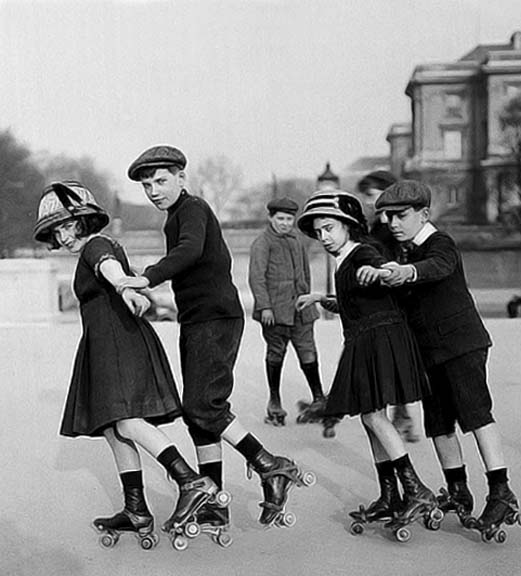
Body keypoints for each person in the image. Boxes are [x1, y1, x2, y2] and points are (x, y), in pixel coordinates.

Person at [121, 145, 313, 528]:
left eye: (161, 181)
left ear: (181, 178)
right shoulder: (175, 216)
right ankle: (214, 502)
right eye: (146, 185)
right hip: (198, 319)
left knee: (203, 407)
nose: (154, 191)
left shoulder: (192, 210)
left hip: (216, 319)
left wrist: (148, 277)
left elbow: (190, 252)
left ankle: (270, 466)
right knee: (199, 416)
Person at [33, 181, 222, 549]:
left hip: (117, 342)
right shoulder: (98, 248)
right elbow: (118, 274)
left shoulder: (97, 246)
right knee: (112, 428)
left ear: (83, 220)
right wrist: (133, 290)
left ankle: (190, 480)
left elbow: (110, 270)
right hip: (105, 344)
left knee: (127, 420)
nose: (63, 235)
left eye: (67, 225)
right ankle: (136, 509)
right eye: (56, 230)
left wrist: (122, 286)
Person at [363, 179, 521, 537]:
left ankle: (501, 490)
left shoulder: (440, 244)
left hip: (462, 346)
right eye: (388, 216)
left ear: (424, 213)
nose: (392, 222)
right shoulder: (402, 253)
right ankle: (458, 491)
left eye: (400, 215)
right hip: (431, 353)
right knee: (438, 423)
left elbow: (439, 267)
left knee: (475, 414)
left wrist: (406, 273)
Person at [294, 189, 440, 531]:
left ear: (349, 225)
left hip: (379, 338)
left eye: (329, 228)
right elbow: (352, 302)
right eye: (318, 232)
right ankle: (390, 495)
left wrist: (382, 273)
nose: (323, 236)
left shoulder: (363, 253)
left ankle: (416, 489)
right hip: (365, 337)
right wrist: (322, 298)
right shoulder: (345, 260)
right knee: (368, 416)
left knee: (373, 416)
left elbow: (381, 270)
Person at [248, 196, 325, 427]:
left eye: (289, 219)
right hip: (275, 312)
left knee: (308, 352)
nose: (284, 223)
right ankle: (274, 400)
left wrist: (308, 299)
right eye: (280, 218)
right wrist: (265, 307)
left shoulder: (297, 241)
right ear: (270, 218)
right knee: (276, 353)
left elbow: (305, 274)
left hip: (301, 310)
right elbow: (256, 278)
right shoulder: (262, 243)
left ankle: (319, 398)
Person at [357, 170, 420, 443]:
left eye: (371, 196)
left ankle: (398, 416)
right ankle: (401, 415)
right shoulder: (380, 227)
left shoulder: (387, 230)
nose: (368, 202)